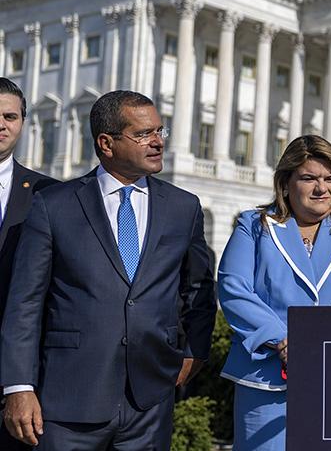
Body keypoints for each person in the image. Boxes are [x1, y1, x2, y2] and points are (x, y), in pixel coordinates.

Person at [0, 90, 216, 449]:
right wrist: (19, 387)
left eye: (160, 132)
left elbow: (198, 289)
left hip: (149, 402)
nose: (157, 143)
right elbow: (25, 302)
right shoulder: (54, 205)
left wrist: (196, 350)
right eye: (142, 134)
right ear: (106, 143)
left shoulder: (183, 207)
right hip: (68, 401)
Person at [218, 134, 331, 451]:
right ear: (286, 183)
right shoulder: (254, 226)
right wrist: (282, 339)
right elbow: (233, 288)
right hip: (267, 377)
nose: (322, 188)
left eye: (329, 178)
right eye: (309, 178)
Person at [0, 78, 57, 451]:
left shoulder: (49, 194)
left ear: (23, 122)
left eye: (10, 116)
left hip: (15, 382)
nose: (1, 125)